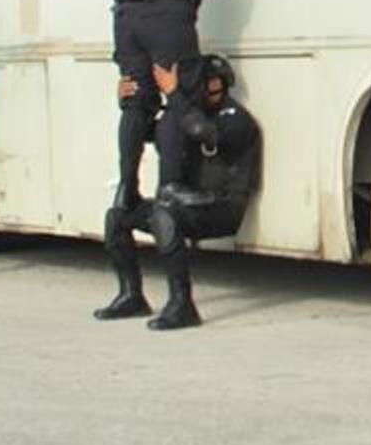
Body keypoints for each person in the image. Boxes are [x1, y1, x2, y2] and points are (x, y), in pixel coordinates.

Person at [94, 56, 262, 330]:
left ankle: (182, 304)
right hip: (186, 204)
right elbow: (146, 132)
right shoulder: (183, 116)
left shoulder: (235, 118)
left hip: (221, 207)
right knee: (118, 216)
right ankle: (131, 294)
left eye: (212, 82)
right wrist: (128, 103)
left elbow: (204, 132)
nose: (208, 88)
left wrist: (174, 95)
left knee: (165, 214)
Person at [105, 0, 216, 224]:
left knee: (135, 101)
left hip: (126, 20)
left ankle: (126, 187)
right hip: (162, 17)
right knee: (180, 94)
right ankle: (170, 184)